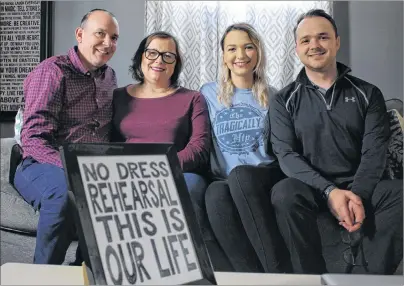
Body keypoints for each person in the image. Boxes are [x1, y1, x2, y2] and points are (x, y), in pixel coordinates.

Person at [269, 9, 402, 274]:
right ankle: (311, 278)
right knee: (284, 193)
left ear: (337, 42)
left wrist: (357, 197)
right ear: (297, 48)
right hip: (312, 187)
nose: (314, 45)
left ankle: (372, 277)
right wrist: (329, 191)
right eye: (306, 40)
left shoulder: (368, 93)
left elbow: (374, 151)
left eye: (323, 37)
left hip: (359, 185)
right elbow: (286, 155)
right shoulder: (283, 99)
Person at [14, 9, 119, 264]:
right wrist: (74, 168)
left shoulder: (110, 77)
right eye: (101, 34)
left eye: (114, 37)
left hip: (92, 165)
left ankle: (89, 271)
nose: (108, 43)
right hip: (42, 163)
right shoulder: (51, 72)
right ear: (80, 34)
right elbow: (33, 138)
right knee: (63, 196)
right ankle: (44, 277)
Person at [201, 23, 290, 273]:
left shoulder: (275, 96)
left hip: (262, 175)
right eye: (232, 48)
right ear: (224, 56)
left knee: (241, 175)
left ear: (258, 52)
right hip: (224, 178)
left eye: (248, 47)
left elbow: (282, 147)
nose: (240, 55)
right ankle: (249, 277)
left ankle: (277, 274)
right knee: (214, 194)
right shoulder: (208, 94)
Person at [111, 31, 212, 240]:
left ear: (175, 64)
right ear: (141, 56)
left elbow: (199, 148)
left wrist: (158, 169)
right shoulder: (117, 96)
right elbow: (107, 142)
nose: (159, 60)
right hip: (128, 174)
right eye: (152, 53)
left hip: (177, 173)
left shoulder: (193, 98)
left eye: (168, 56)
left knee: (189, 187)